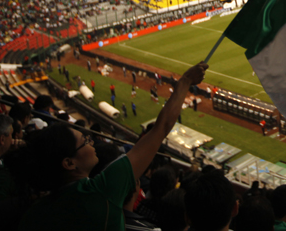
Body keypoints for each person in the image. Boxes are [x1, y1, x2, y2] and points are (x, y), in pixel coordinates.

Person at [16, 61, 208, 231]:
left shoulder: (34, 213)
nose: (92, 142)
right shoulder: (102, 191)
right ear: (68, 163)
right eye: (85, 142)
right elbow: (161, 129)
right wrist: (185, 82)